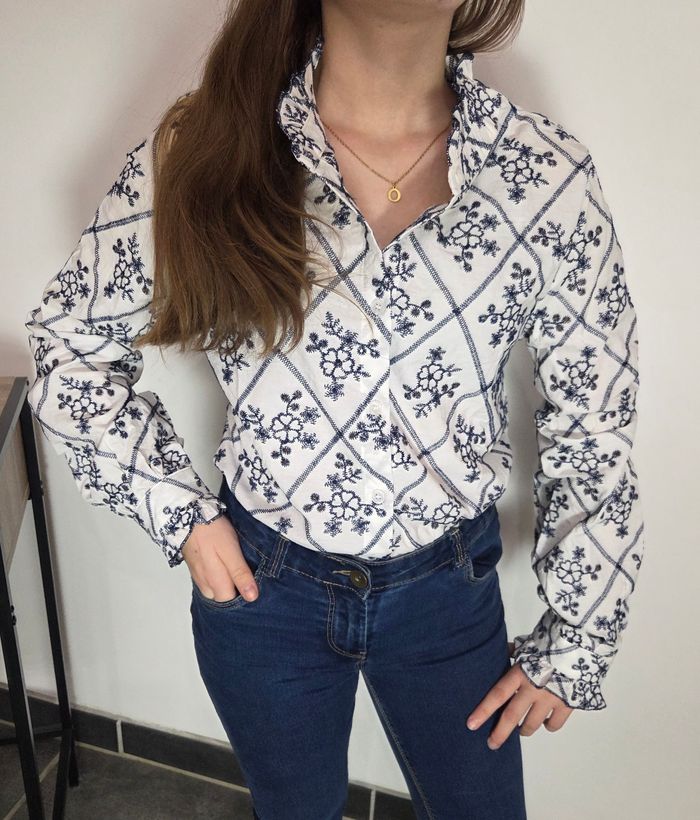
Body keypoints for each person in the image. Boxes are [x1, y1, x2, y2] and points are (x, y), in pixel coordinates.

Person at [24, 1, 645, 818]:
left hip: (446, 596)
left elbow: (593, 422)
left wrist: (578, 639)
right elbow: (70, 344)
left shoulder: (544, 177)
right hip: (263, 594)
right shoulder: (208, 150)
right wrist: (183, 516)